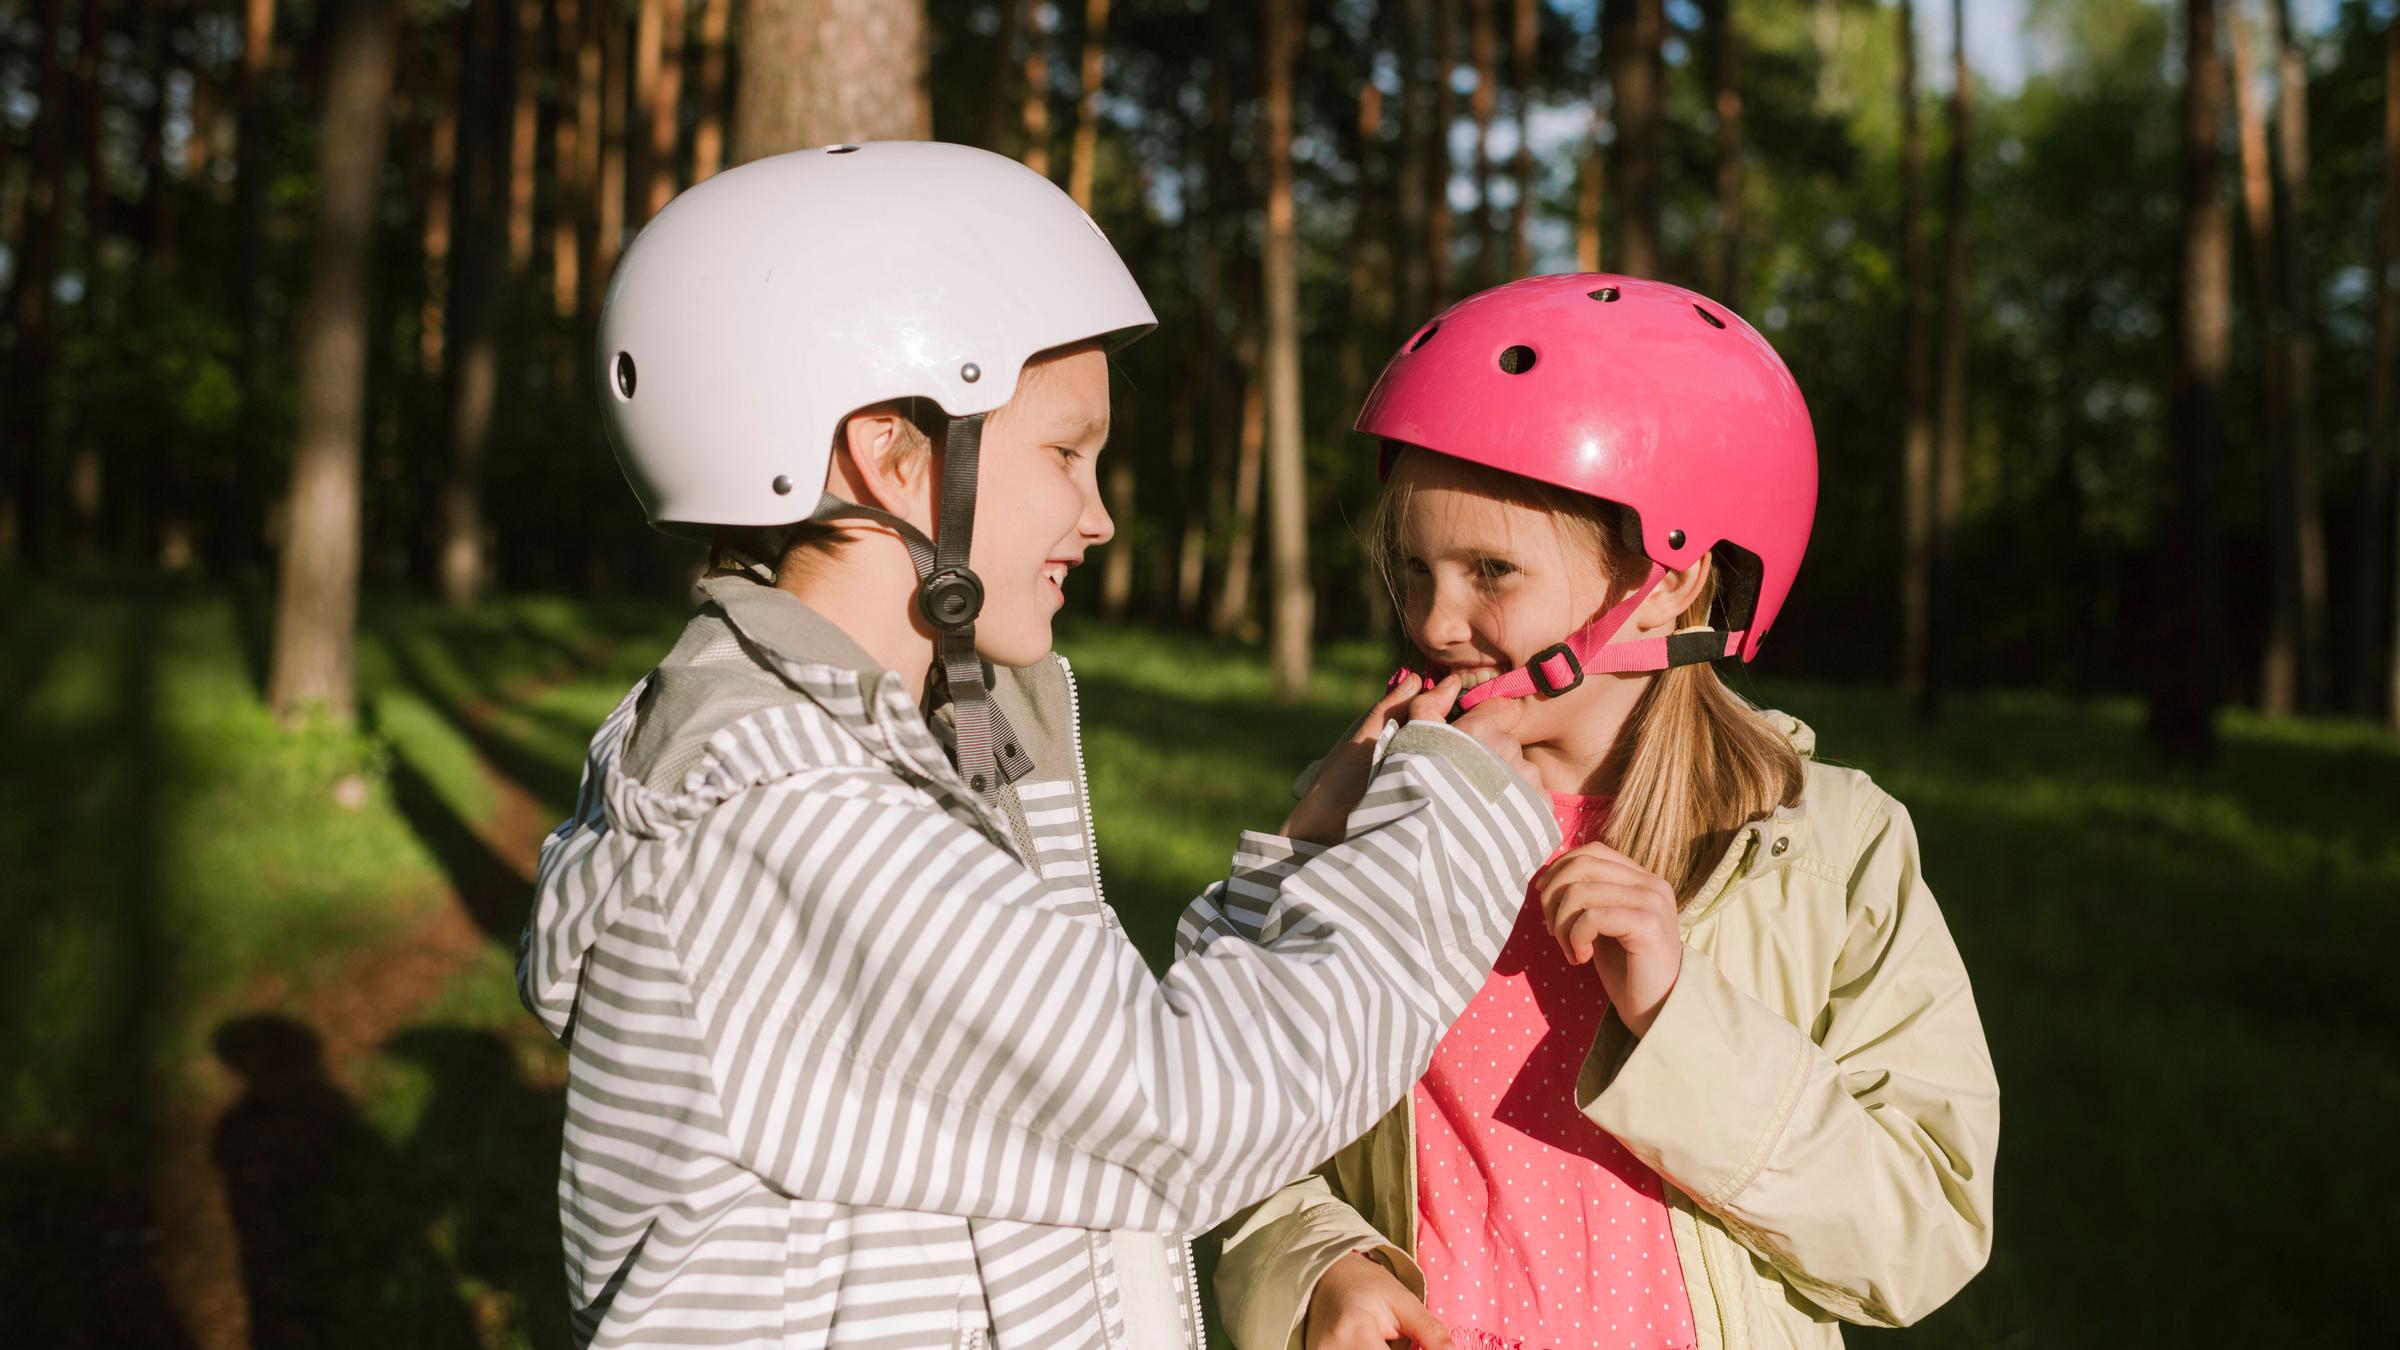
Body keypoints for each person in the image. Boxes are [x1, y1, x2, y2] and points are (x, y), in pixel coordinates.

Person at [517, 141, 1561, 1350]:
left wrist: (1299, 864)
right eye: (1066, 451)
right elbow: (1193, 1116)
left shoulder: (878, 765)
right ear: (889, 452)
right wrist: (1456, 811)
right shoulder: (797, 814)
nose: (1100, 513)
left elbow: (1086, 1075)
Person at [1214, 275, 2000, 1350]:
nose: (1437, 621)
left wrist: (1685, 1014)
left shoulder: (1829, 852)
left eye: (1492, 571)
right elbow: (1231, 1126)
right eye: (1414, 570)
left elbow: (1923, 1232)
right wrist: (1323, 1269)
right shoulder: (1367, 818)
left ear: (1673, 585)